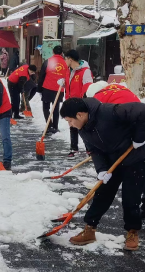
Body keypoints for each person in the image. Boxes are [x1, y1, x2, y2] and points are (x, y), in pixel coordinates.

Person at [60, 97, 145, 251]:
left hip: (135, 158)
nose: (70, 125)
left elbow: (142, 110)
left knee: (130, 197)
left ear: (79, 115)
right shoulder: (82, 128)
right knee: (101, 193)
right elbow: (94, 150)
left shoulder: (109, 111)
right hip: (113, 161)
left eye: (70, 121)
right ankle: (90, 229)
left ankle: (132, 231)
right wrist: (102, 170)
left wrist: (139, 138)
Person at [59, 49, 93, 158]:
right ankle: (74, 148)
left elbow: (87, 87)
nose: (64, 61)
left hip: (80, 103)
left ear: (70, 59)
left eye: (65, 59)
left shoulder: (85, 71)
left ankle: (89, 148)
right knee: (72, 125)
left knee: (83, 126)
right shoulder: (69, 70)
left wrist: (83, 102)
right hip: (69, 101)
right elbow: (71, 86)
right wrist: (64, 83)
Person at [37, 46, 68, 133]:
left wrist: (39, 89)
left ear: (53, 52)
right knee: (56, 108)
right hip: (59, 89)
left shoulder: (48, 61)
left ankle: (49, 125)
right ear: (61, 53)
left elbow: (42, 76)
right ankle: (55, 127)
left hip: (47, 88)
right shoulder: (65, 63)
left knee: (46, 108)